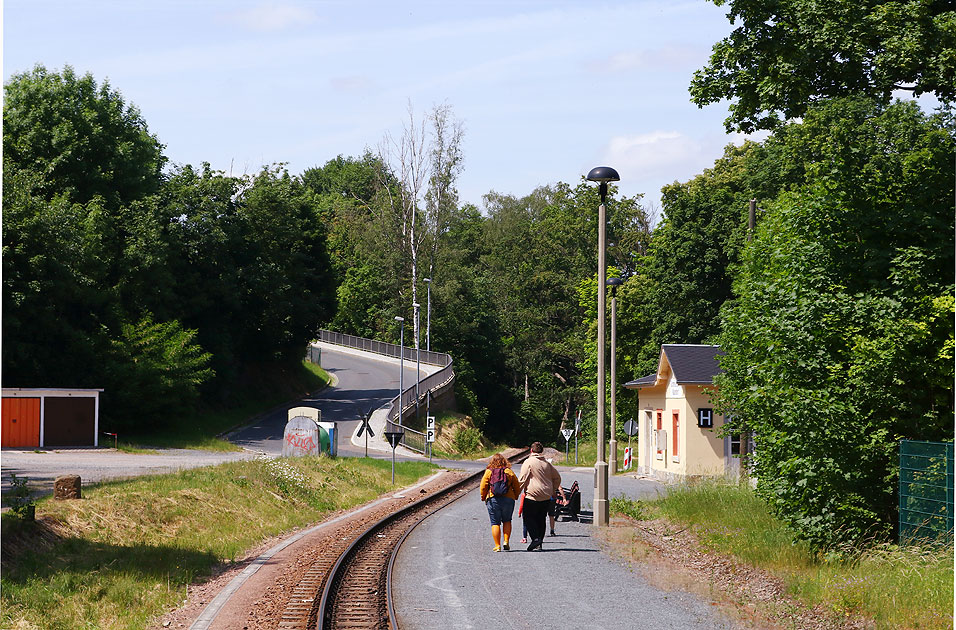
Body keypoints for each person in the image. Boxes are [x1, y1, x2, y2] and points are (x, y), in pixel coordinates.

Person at [518, 442, 566, 551]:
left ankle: (535, 539)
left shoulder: (528, 462)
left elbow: (522, 479)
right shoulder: (547, 464)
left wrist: (515, 493)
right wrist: (553, 489)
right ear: (541, 451)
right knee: (541, 519)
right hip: (546, 497)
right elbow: (557, 478)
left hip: (532, 496)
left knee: (528, 518)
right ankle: (539, 542)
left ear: (531, 451)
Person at [479, 453, 521, 552]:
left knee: (495, 522)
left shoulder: (489, 472)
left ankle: (497, 546)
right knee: (507, 520)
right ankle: (506, 541)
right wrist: (515, 496)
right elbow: (517, 486)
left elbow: (483, 486)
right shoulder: (508, 471)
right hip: (508, 499)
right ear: (504, 461)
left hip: (493, 499)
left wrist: (483, 497)